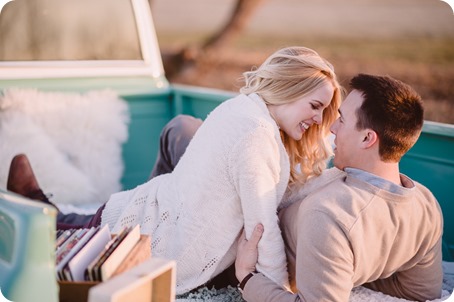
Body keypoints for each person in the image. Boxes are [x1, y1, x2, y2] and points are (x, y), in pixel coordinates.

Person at [6, 46, 342, 295]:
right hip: (155, 235)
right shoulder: (256, 134)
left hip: (166, 219)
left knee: (93, 219)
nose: (318, 120)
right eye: (315, 106)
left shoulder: (250, 114)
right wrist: (277, 293)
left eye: (324, 111)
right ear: (288, 89)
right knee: (68, 231)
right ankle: (39, 206)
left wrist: (335, 176)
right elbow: (262, 229)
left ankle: (46, 207)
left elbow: (272, 195)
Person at [234, 73, 444, 302]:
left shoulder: (328, 214)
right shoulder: (427, 204)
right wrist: (342, 272)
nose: (332, 128)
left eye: (341, 120)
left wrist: (247, 277)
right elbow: (420, 293)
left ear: (367, 139)